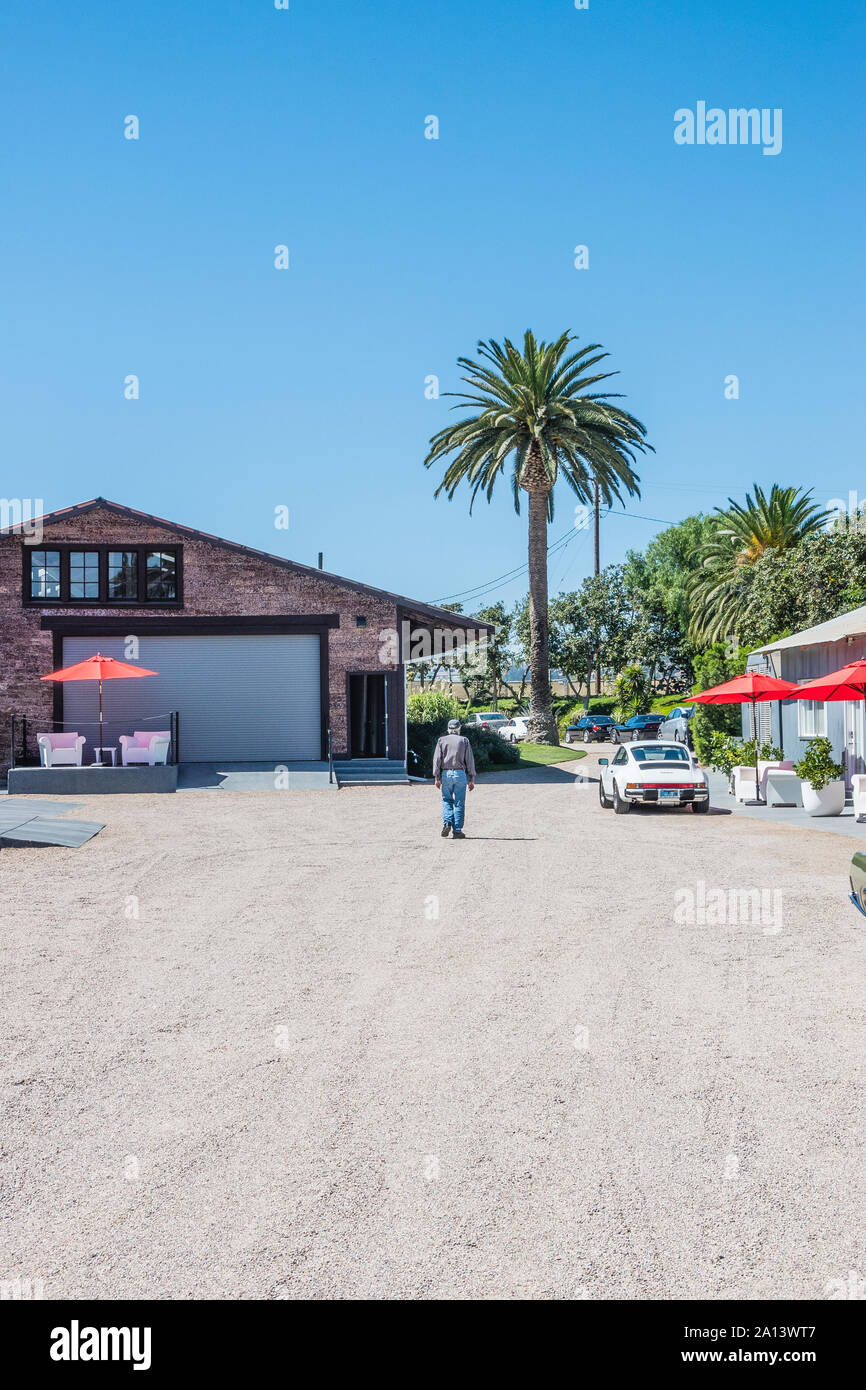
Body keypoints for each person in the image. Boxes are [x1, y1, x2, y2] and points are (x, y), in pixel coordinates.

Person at [433, 718, 476, 838]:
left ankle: (447, 822)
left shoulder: (441, 740)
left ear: (448, 729)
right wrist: (471, 778)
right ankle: (457, 830)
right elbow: (469, 760)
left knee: (446, 800)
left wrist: (437, 777)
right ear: (459, 729)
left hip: (446, 773)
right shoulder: (464, 740)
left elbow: (437, 759)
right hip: (460, 774)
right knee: (459, 802)